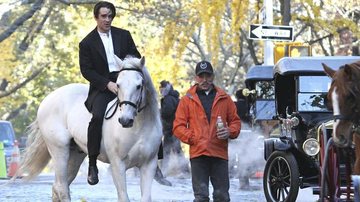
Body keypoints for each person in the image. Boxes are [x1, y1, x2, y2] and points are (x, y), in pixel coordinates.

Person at [79, 1, 141, 185]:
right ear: (96, 17)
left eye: (110, 16)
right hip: (103, 86)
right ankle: (92, 163)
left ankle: (157, 161)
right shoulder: (87, 42)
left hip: (126, 80)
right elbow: (87, 71)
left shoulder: (124, 35)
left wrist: (127, 70)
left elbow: (135, 55)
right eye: (104, 16)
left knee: (148, 107)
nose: (107, 19)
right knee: (97, 117)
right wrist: (107, 84)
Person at [173, 60, 241, 202]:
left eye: (208, 76)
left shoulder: (225, 98)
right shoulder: (186, 100)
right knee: (201, 197)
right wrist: (193, 137)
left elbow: (235, 121)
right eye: (201, 76)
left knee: (222, 196)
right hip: (198, 154)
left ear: (213, 76)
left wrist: (229, 131)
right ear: (196, 78)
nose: (204, 80)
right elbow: (178, 127)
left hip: (219, 154)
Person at [159, 80, 189, 176]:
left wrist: (160, 113)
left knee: (167, 150)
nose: (160, 90)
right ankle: (184, 170)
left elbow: (167, 112)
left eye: (162, 88)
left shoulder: (168, 99)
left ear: (165, 88)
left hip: (170, 128)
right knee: (176, 149)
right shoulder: (174, 97)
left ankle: (164, 171)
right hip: (174, 127)